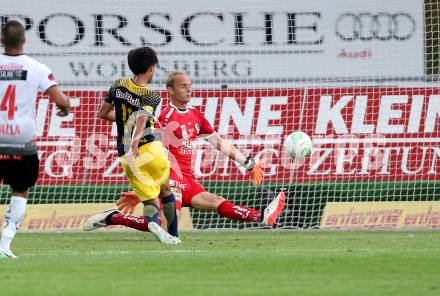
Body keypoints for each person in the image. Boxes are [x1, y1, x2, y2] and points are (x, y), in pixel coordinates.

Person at [100, 70, 286, 231]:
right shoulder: (164, 118)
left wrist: (248, 162)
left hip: (188, 181)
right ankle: (114, 217)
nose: (189, 89)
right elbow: (152, 153)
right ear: (171, 91)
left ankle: (260, 216)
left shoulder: (196, 115)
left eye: (190, 85)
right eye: (183, 86)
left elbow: (219, 142)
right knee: (164, 226)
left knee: (215, 201)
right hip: (171, 181)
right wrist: (149, 188)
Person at [83, 46, 180, 244]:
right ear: (151, 68)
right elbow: (142, 119)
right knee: (166, 190)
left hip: (125, 154)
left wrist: (125, 128)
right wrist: (135, 142)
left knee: (149, 201)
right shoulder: (151, 95)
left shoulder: (118, 85)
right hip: (148, 147)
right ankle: (174, 235)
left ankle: (152, 221)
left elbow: (103, 113)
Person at [0, 20, 71, 259]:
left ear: (1, 40)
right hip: (22, 141)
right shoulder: (36, 68)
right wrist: (64, 109)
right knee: (19, 191)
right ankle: (5, 245)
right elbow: (61, 101)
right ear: (24, 40)